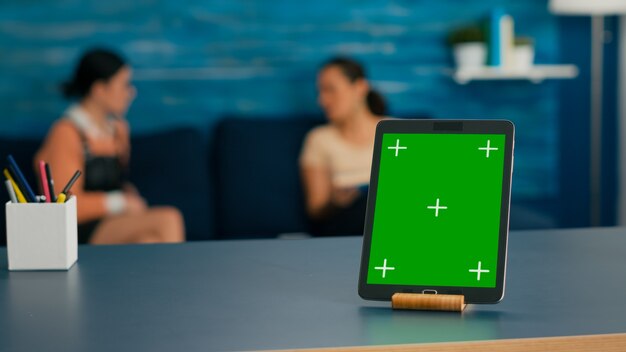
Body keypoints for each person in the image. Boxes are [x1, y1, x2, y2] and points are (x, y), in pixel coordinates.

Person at [34, 48, 185, 244]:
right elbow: (64, 205)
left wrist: (128, 195)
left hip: (113, 223)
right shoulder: (67, 133)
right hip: (77, 230)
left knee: (148, 241)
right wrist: (120, 202)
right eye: (124, 85)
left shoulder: (118, 130)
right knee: (169, 218)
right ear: (99, 89)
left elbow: (117, 181)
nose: (131, 92)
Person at [300, 57, 387, 236]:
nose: (322, 101)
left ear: (360, 88)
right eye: (320, 92)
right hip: (344, 220)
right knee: (370, 205)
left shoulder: (397, 131)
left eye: (330, 90)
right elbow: (316, 210)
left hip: (391, 213)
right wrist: (336, 201)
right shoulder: (318, 139)